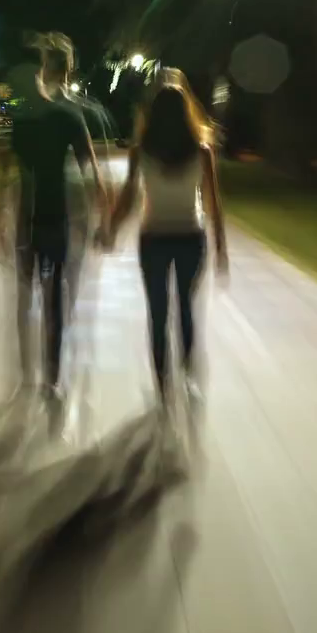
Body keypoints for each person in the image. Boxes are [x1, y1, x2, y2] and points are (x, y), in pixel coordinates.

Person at [0, 33, 109, 422]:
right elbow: (93, 170)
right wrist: (102, 219)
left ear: (41, 72)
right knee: (54, 299)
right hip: (56, 220)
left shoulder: (24, 118)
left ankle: (29, 376)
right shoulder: (69, 116)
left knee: (26, 299)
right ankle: (51, 379)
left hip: (28, 220)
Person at [104, 71, 228, 409]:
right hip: (191, 237)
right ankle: (186, 373)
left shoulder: (141, 151)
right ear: (187, 112)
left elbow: (129, 197)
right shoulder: (202, 151)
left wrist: (111, 227)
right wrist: (220, 247)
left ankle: (162, 385)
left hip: (154, 238)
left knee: (157, 312)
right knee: (186, 307)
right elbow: (213, 203)